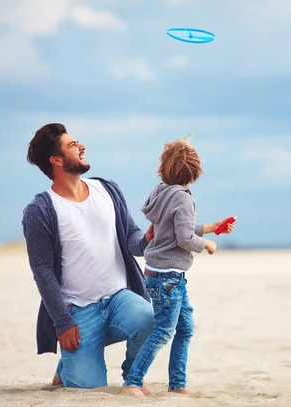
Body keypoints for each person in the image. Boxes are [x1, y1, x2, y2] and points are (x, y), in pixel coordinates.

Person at [21, 123, 156, 390]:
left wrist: (147, 240)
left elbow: (130, 236)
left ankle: (133, 377)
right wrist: (62, 322)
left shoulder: (107, 190)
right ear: (56, 160)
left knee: (150, 318)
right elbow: (42, 270)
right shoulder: (40, 210)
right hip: (78, 311)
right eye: (73, 145)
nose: (81, 147)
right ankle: (69, 365)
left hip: (119, 298)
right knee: (86, 387)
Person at [122, 134, 235, 396]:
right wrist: (206, 244)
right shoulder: (183, 198)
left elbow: (174, 229)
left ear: (164, 169)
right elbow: (185, 238)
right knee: (163, 331)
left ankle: (177, 385)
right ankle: (132, 381)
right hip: (168, 278)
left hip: (164, 275)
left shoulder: (161, 193)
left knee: (185, 329)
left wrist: (210, 227)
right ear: (194, 172)